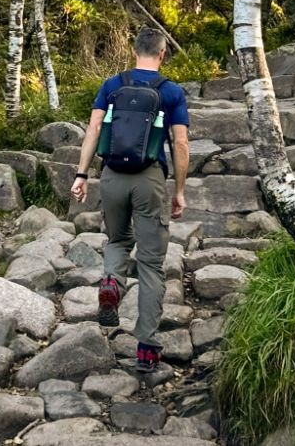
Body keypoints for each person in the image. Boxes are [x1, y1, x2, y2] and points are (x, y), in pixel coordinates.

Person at [71, 27, 190, 373]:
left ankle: (112, 280)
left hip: (111, 177)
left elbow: (93, 130)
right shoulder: (170, 92)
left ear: (134, 50)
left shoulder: (111, 85)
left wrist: (82, 175)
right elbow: (180, 144)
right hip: (149, 178)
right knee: (152, 264)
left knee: (118, 240)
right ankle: (147, 349)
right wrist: (179, 190)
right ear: (163, 53)